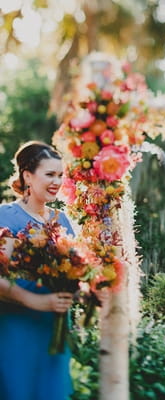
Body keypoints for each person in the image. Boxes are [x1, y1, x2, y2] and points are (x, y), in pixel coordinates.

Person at [0, 141, 75, 400]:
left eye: (60, 175)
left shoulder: (61, 220)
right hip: (17, 327)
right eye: (50, 174)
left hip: (54, 329)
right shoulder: (6, 217)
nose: (57, 181)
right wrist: (36, 301)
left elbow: (74, 270)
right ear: (27, 176)